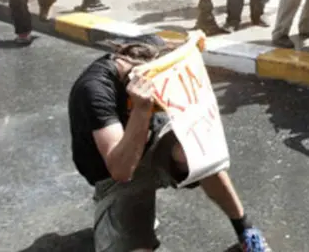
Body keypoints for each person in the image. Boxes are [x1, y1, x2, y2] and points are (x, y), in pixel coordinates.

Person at [67, 35, 270, 252]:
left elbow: (177, 45)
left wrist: (193, 43)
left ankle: (245, 230)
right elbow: (121, 170)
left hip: (153, 138)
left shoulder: (148, 49)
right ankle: (121, 218)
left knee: (199, 151)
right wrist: (141, 110)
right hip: (115, 170)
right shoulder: (95, 90)